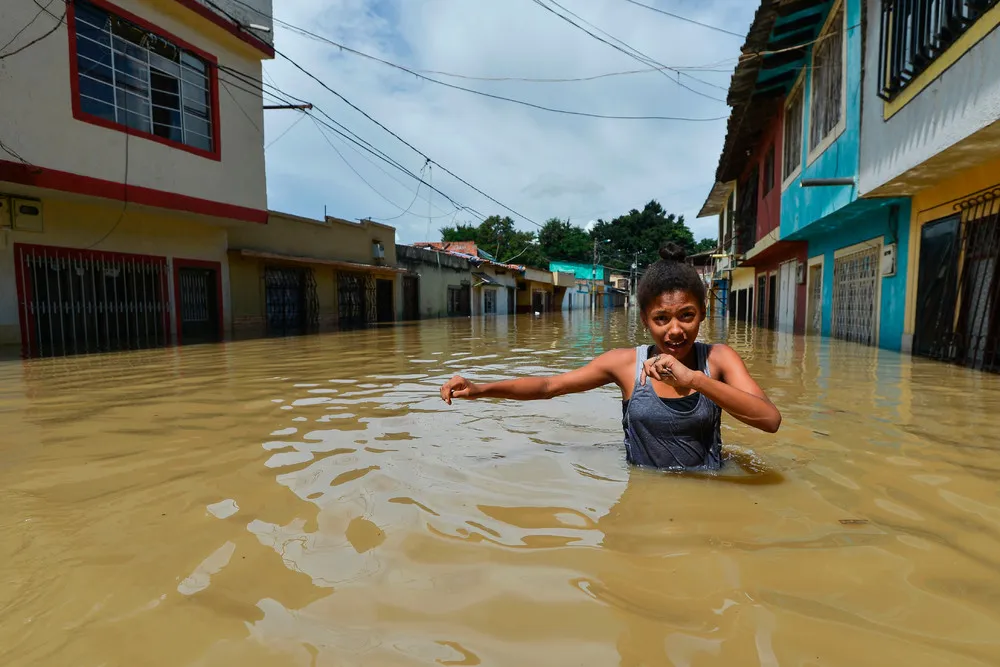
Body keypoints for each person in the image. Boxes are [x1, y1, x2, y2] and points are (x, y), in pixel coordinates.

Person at [439, 242, 781, 471]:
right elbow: (549, 386)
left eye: (686, 316)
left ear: (703, 314)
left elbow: (769, 420)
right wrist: (481, 388)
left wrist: (696, 380)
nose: (675, 330)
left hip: (708, 495)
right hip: (644, 494)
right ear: (645, 319)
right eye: (662, 318)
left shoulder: (718, 359)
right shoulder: (625, 364)